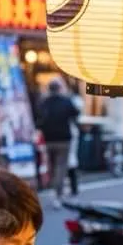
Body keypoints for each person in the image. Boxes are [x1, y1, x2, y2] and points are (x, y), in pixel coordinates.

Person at [36, 78, 81, 206]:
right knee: (61, 165)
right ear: (59, 89)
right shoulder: (66, 101)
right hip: (64, 138)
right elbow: (76, 113)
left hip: (49, 138)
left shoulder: (44, 102)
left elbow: (38, 119)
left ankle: (55, 188)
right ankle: (58, 193)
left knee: (52, 165)